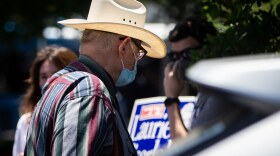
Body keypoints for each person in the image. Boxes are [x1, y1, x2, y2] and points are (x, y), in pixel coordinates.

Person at [25, 0, 166, 155]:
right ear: (124, 46)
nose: (137, 60)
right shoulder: (90, 92)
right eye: (138, 52)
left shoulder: (62, 82)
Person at [13, 45, 77, 156]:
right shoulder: (25, 122)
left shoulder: (79, 117)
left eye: (56, 75)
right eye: (43, 76)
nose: (49, 82)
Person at [163, 16, 217, 139]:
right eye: (174, 56)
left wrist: (171, 99)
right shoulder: (204, 92)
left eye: (186, 54)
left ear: (207, 50)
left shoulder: (217, 96)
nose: (178, 63)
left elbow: (185, 147)